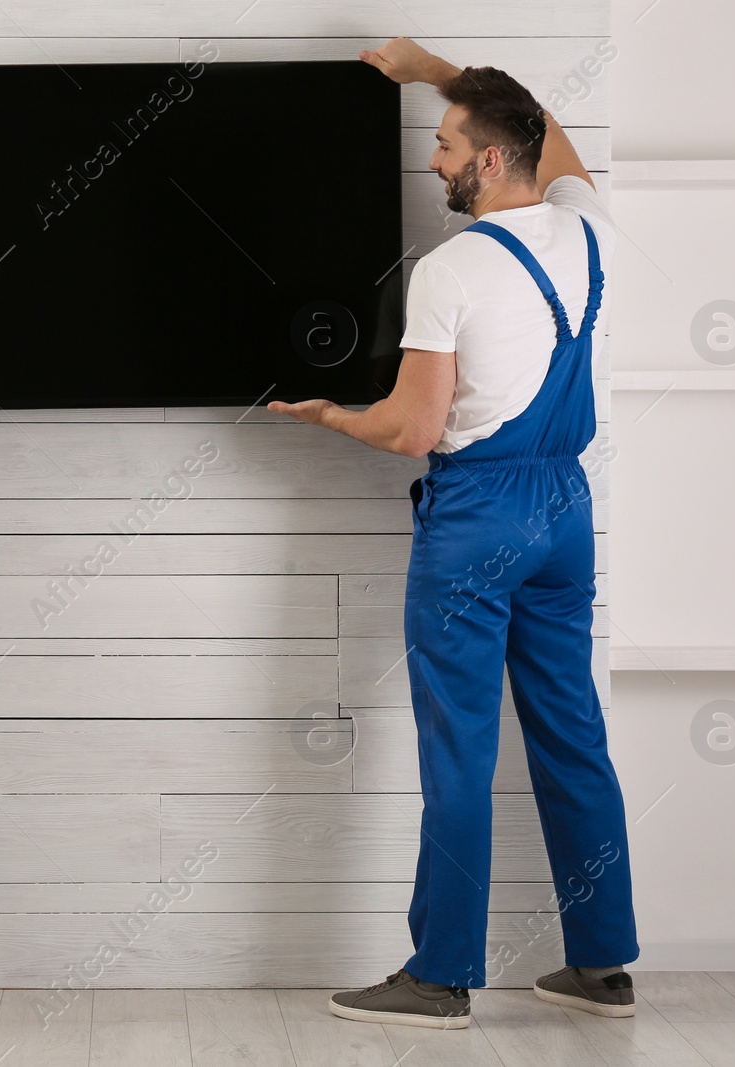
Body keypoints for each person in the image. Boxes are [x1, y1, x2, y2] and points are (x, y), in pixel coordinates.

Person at [270, 38, 639, 1029]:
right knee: (572, 731)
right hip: (566, 509)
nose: (430, 160)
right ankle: (603, 963)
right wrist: (441, 71)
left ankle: (438, 974)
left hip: (477, 515)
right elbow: (547, 136)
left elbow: (411, 429)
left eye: (441, 144)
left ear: (483, 160)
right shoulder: (589, 228)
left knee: (459, 747)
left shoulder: (453, 268)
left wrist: (327, 417)